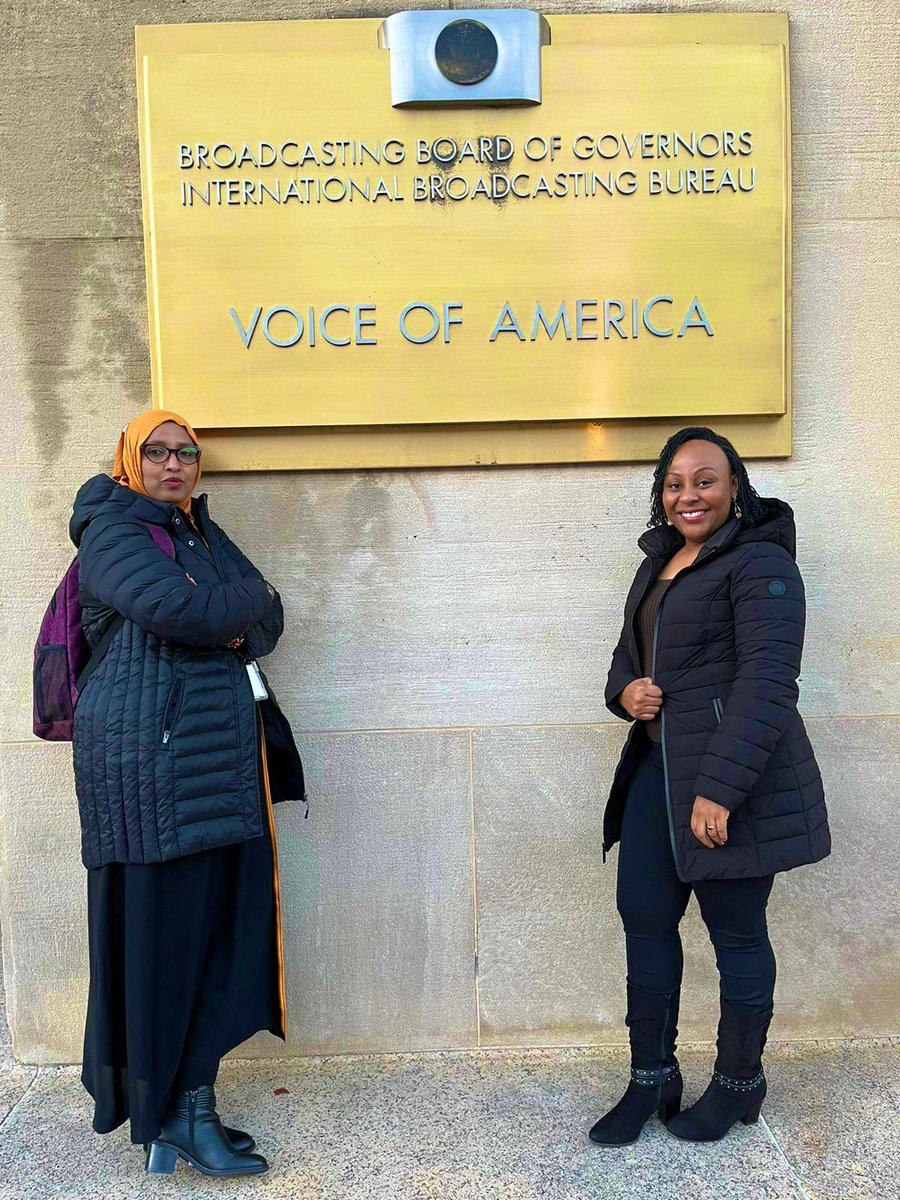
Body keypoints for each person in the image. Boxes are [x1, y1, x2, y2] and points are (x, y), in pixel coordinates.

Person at [71, 410, 305, 1177]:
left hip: (211, 771)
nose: (175, 464)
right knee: (166, 947)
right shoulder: (112, 530)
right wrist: (231, 613)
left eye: (186, 453)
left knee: (213, 944)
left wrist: (233, 615)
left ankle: (194, 1112)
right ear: (129, 460)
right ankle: (172, 1119)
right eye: (157, 452)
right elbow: (180, 609)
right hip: (149, 777)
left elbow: (268, 613)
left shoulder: (198, 532)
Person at [588, 427, 830, 1147]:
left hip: (731, 784)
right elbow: (627, 657)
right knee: (645, 921)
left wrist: (720, 790)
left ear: (735, 488)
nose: (687, 494)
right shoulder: (660, 561)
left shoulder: (760, 564)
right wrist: (624, 692)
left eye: (704, 480)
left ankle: (738, 1083)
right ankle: (651, 1077)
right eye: (674, 483)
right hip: (654, 776)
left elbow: (768, 684)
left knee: (736, 936)